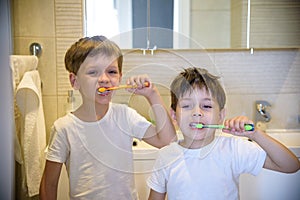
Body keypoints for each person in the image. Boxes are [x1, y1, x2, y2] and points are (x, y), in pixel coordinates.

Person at [39, 35, 177, 199]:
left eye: (111, 72)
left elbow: (168, 141)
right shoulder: (64, 128)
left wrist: (152, 94)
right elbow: (49, 184)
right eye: (93, 72)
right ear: (74, 81)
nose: (104, 79)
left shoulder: (125, 116)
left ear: (119, 77)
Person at [147, 67, 300, 200]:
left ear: (221, 115)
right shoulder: (166, 157)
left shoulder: (234, 149)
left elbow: (291, 165)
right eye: (187, 106)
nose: (197, 113)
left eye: (206, 106)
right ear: (174, 116)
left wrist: (255, 134)